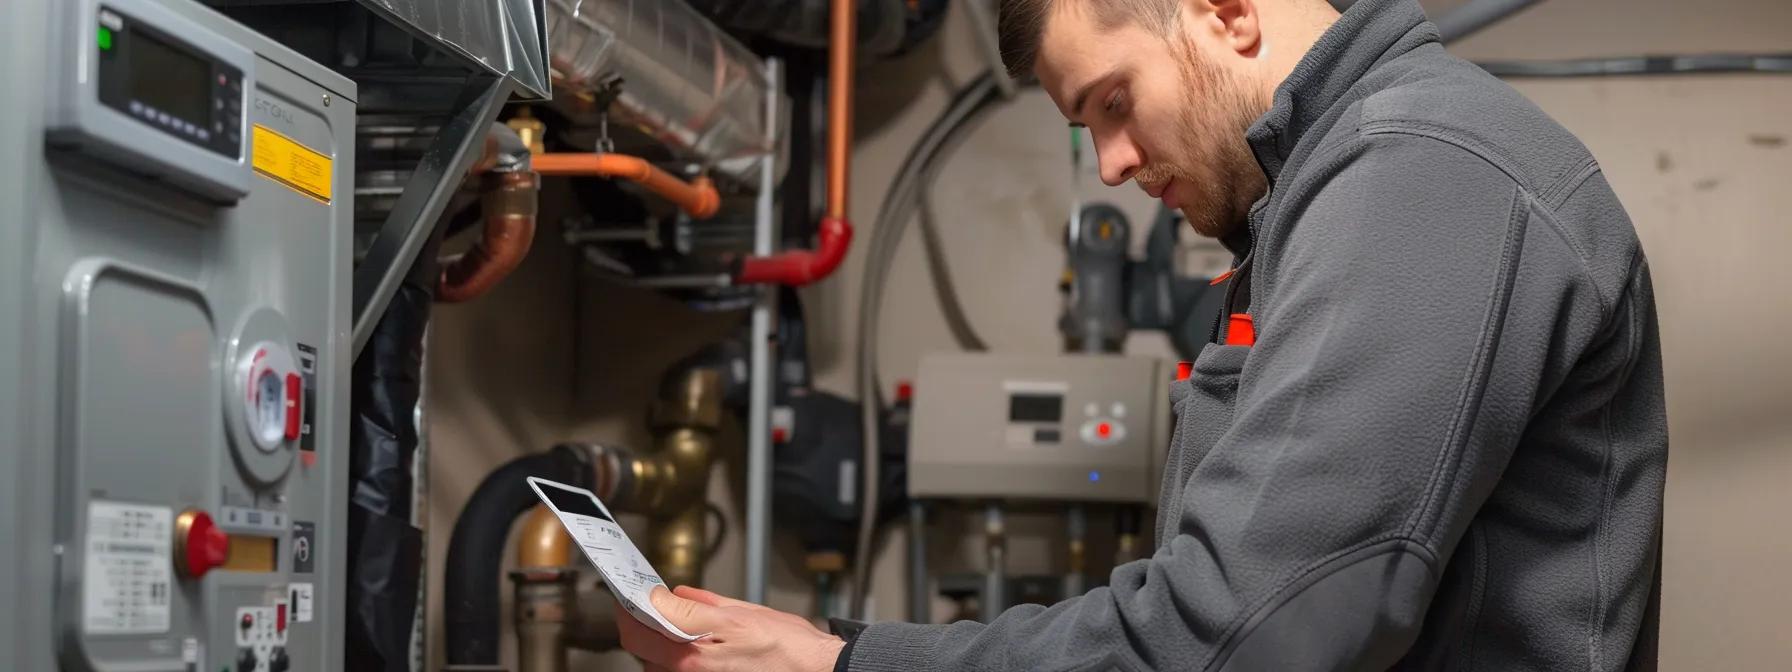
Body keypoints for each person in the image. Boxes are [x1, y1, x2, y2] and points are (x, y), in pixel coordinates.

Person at [617, 0, 1668, 669]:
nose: (1112, 163)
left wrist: (845, 663)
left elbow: (1246, 631)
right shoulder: (1320, 195)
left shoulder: (1420, 170)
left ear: (1224, 12)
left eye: (1113, 102)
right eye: (1088, 131)